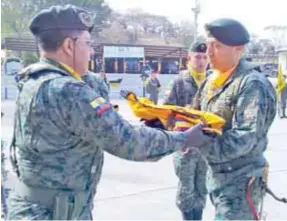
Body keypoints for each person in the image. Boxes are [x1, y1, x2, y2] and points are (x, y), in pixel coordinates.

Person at [8, 5, 214, 220]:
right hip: (54, 212)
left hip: (43, 206)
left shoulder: (35, 79)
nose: (92, 51)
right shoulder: (67, 90)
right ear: (69, 45)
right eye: (88, 44)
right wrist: (183, 139)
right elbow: (128, 141)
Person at [192, 18, 277, 219]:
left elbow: (245, 137)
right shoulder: (213, 79)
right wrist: (166, 120)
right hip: (219, 177)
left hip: (241, 180)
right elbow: (194, 113)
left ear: (238, 50)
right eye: (208, 45)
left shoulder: (252, 84)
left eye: (217, 46)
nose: (209, 52)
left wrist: (199, 142)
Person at [163, 40, 209, 220]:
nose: (201, 61)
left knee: (202, 186)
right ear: (189, 58)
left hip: (205, 145)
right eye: (197, 57)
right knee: (186, 187)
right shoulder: (179, 81)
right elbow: (166, 112)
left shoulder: (213, 81)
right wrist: (177, 138)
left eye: (205, 57)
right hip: (185, 146)